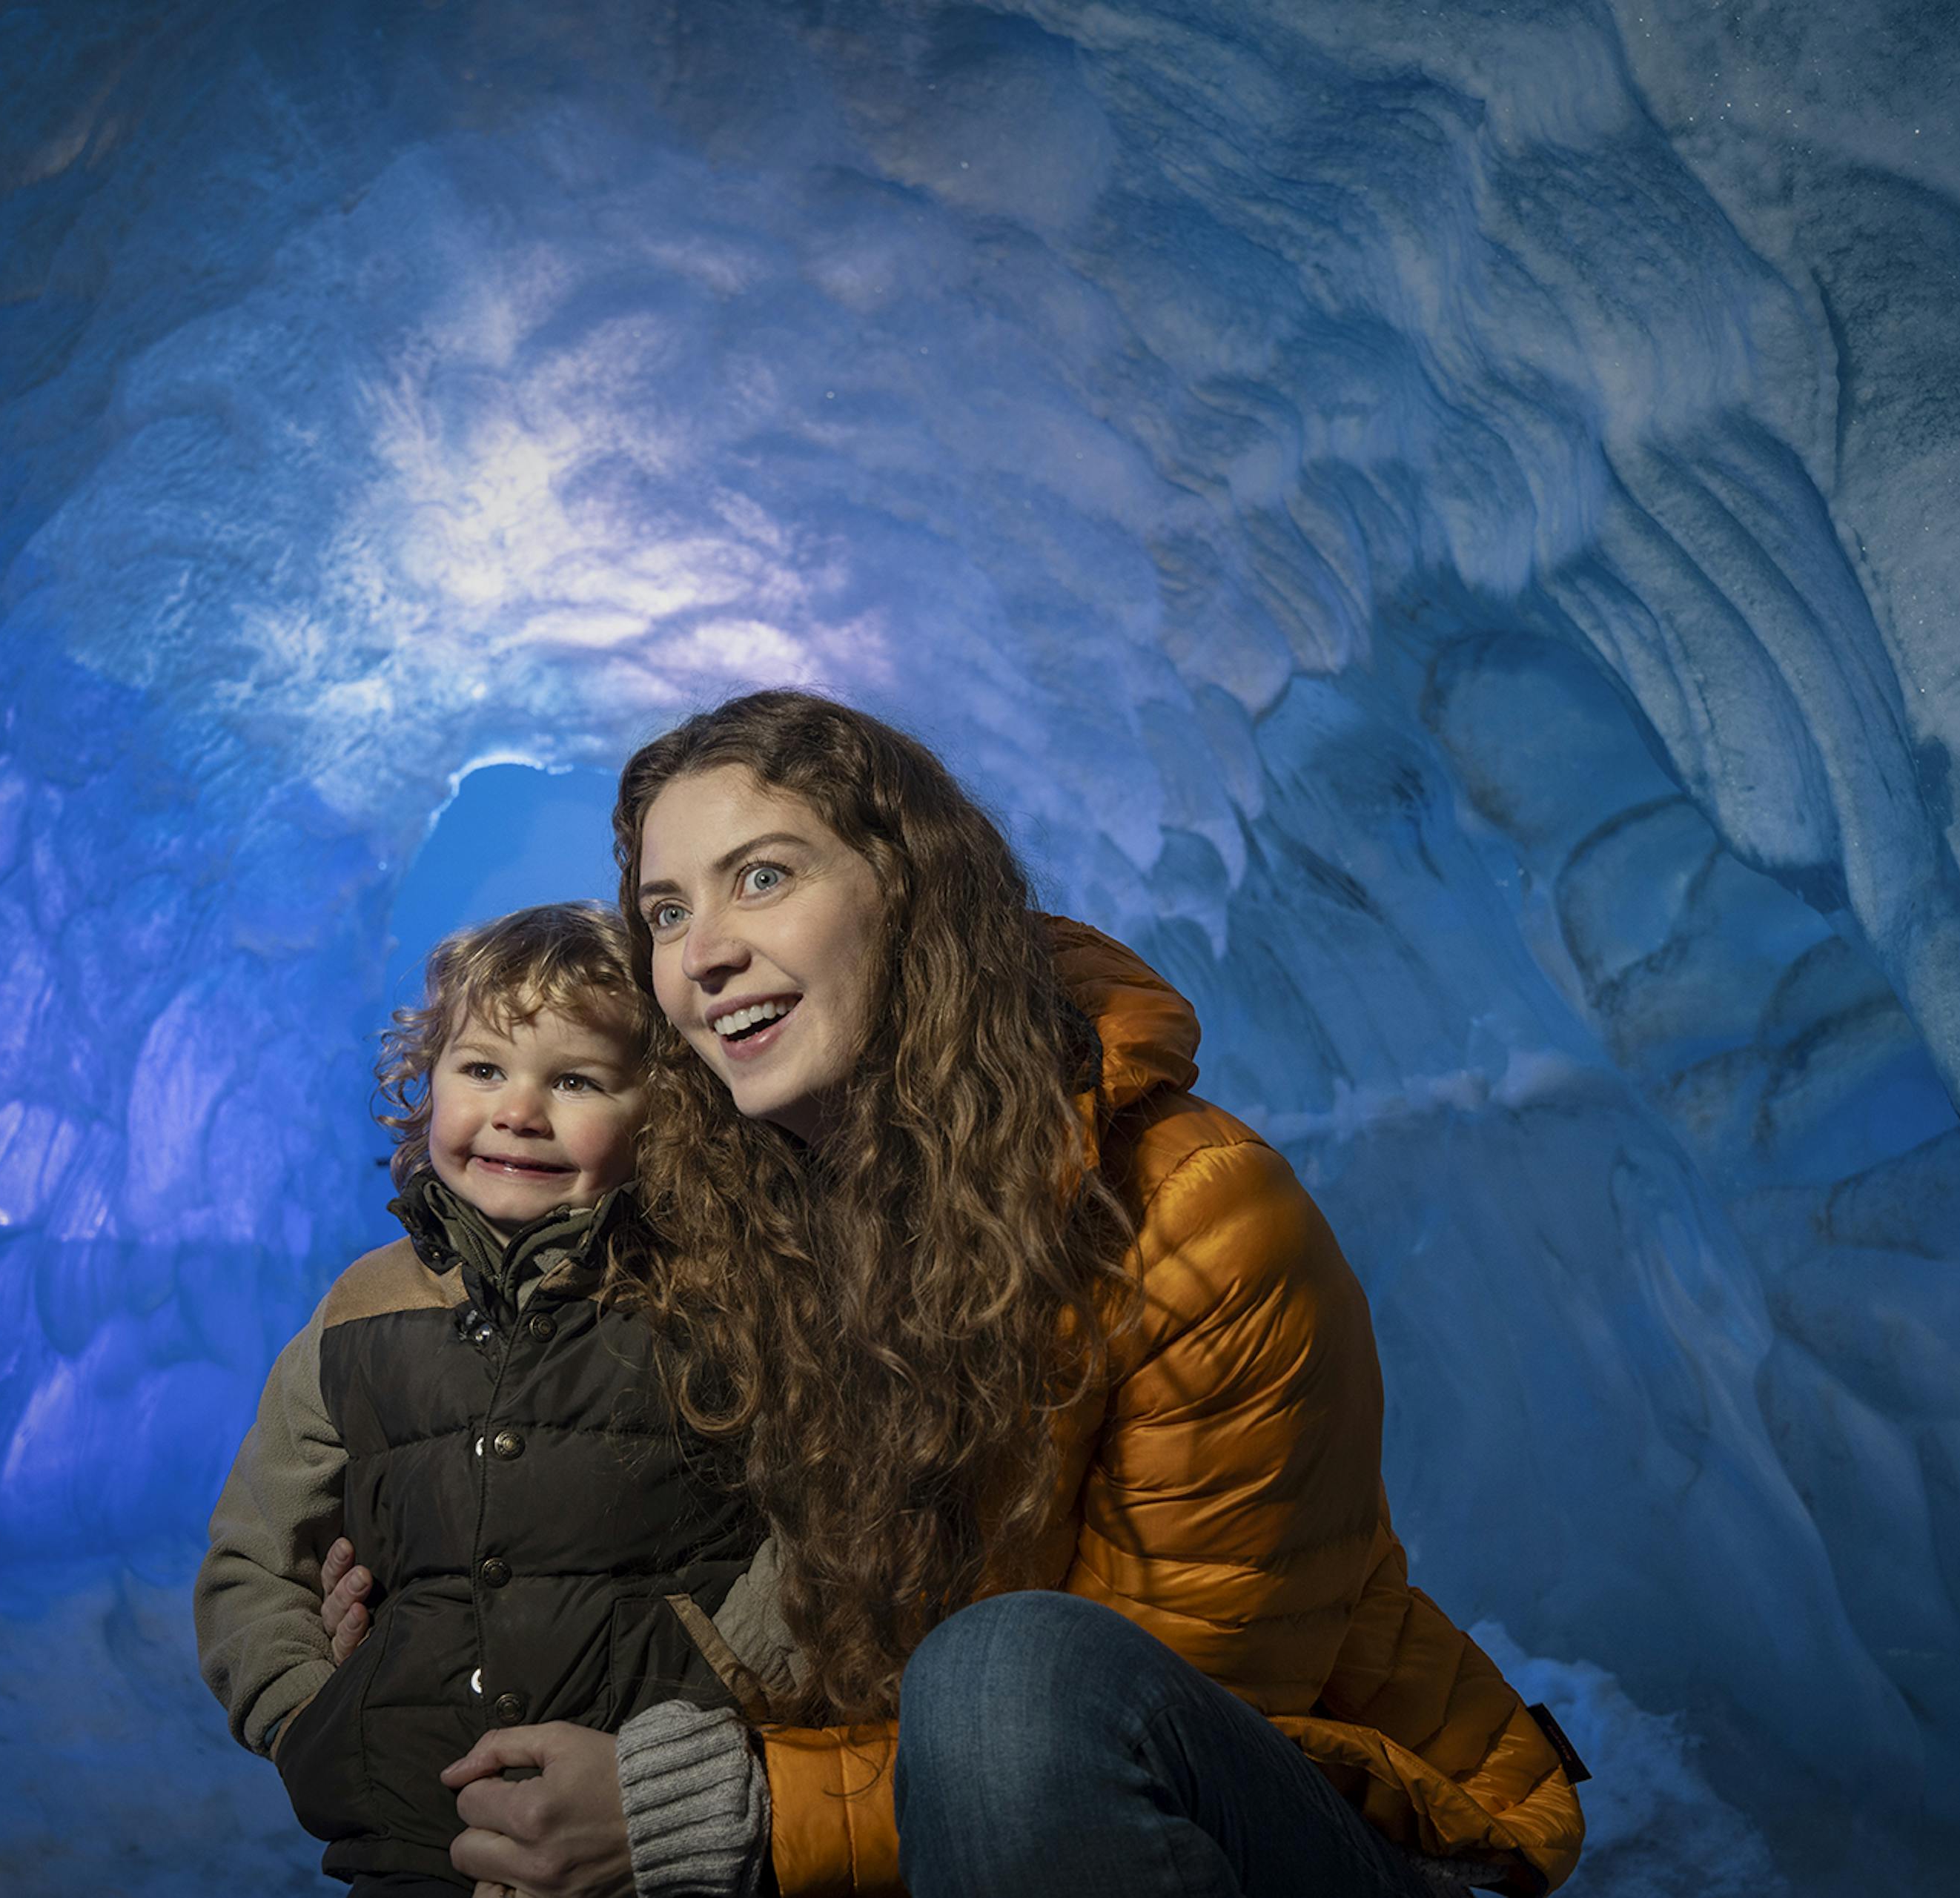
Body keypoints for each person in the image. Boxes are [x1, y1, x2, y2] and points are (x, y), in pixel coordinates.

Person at [432, 692, 1589, 1898]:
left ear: (911, 891)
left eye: (763, 877)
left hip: (1279, 1836)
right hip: (935, 1836)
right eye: (667, 912)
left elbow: (1132, 1725)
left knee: (1005, 1678)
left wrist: (733, 1811)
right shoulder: (746, 1228)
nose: (703, 949)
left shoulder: (1199, 1221)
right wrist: (419, 1575)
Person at [195, 903, 766, 1897]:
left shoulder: (713, 1304)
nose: (519, 1109)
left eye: (576, 1079)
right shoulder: (362, 1310)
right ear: (427, 1083)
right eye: (483, 1068)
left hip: (645, 1845)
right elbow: (256, 1556)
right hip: (415, 1853)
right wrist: (315, 1723)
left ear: (659, 1110)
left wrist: (729, 1689)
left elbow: (817, 1529)